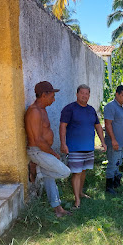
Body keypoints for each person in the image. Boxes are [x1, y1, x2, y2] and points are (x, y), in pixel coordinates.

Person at [25, 81, 71, 218]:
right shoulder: (34, 112)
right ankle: (37, 171)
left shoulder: (42, 110)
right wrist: (53, 153)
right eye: (52, 96)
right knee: (65, 172)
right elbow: (38, 140)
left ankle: (58, 209)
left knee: (50, 177)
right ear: (44, 95)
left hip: (42, 151)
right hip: (37, 151)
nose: (54, 99)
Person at [60, 84, 107, 208]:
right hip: (75, 147)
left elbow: (97, 126)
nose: (84, 96)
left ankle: (80, 193)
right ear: (77, 94)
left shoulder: (91, 110)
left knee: (83, 171)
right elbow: (62, 126)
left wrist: (102, 142)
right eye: (82, 93)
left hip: (88, 147)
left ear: (89, 95)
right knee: (76, 173)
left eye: (87, 94)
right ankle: (77, 201)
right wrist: (63, 143)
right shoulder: (69, 109)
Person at [104, 85, 123, 195]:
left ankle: (115, 183)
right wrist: (113, 140)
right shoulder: (110, 106)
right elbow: (108, 124)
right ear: (117, 94)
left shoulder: (121, 107)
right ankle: (109, 188)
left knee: (118, 163)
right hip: (114, 143)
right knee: (112, 164)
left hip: (122, 142)